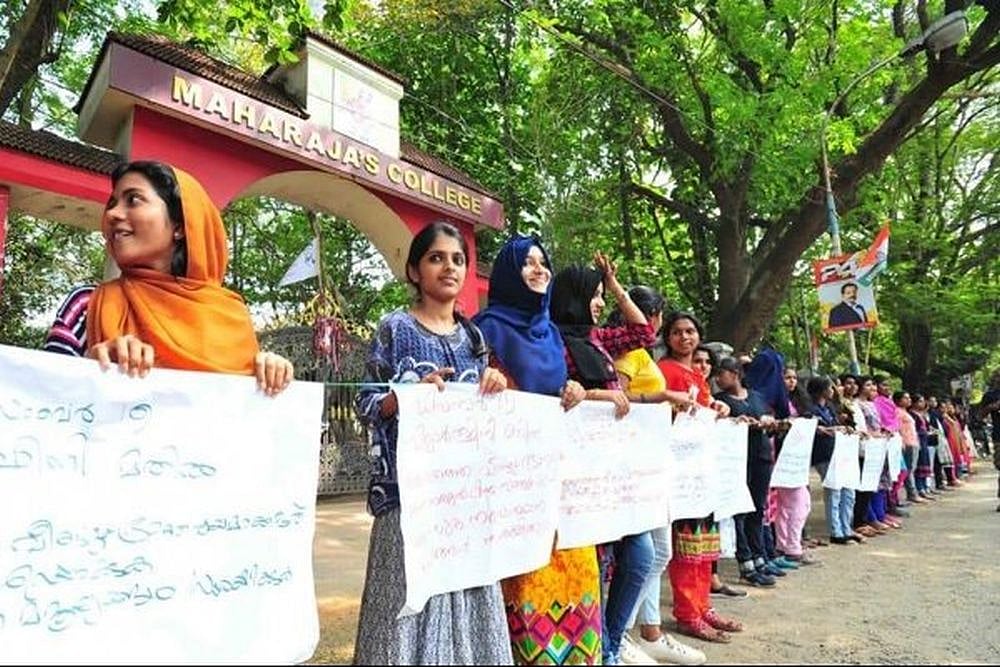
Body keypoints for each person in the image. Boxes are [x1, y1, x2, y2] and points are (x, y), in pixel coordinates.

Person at [353, 221, 511, 665]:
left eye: (457, 260)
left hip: (464, 498)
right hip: (408, 498)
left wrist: (494, 381)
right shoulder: (394, 328)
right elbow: (365, 403)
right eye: (436, 258)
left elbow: (488, 412)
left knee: (467, 595)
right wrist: (404, 398)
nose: (449, 267)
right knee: (402, 605)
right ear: (414, 270)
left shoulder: (475, 337)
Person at [43, 160, 293, 392]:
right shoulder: (86, 304)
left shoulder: (232, 318)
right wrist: (92, 366)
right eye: (112, 203)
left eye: (133, 200)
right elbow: (40, 396)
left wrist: (269, 377)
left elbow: (241, 419)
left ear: (180, 226)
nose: (112, 214)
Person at [471, 235, 600, 666]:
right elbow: (472, 400)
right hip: (512, 484)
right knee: (526, 580)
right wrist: (490, 385)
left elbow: (553, 391)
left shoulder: (550, 336)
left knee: (578, 568)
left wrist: (573, 389)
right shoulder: (485, 328)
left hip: (558, 478)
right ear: (509, 274)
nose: (539, 269)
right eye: (527, 263)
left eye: (543, 262)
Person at [549, 255, 656, 666]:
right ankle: (598, 650)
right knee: (593, 565)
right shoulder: (552, 341)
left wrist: (613, 285)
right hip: (579, 474)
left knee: (640, 556)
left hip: (614, 468)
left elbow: (642, 332)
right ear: (571, 298)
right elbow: (555, 393)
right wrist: (599, 396)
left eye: (599, 297)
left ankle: (609, 645)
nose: (598, 304)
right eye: (592, 296)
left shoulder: (596, 339)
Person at [609, 288, 707, 666]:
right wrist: (664, 396)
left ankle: (646, 630)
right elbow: (616, 398)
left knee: (659, 551)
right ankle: (625, 633)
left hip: (655, 461)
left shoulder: (644, 355)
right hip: (631, 464)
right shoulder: (628, 355)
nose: (654, 323)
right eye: (656, 316)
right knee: (643, 553)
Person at [657, 312, 740, 644]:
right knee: (686, 546)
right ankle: (687, 613)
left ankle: (703, 605)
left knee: (705, 546)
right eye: (676, 332)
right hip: (680, 473)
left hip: (702, 472)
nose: (684, 337)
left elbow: (702, 414)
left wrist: (719, 409)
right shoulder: (664, 371)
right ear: (667, 337)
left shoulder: (698, 375)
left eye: (690, 331)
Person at [713, 356, 783, 586]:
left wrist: (770, 424)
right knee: (739, 510)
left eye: (721, 373)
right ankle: (745, 562)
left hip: (760, 457)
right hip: (735, 462)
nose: (717, 378)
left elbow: (770, 425)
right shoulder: (719, 401)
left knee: (757, 507)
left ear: (735, 374)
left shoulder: (757, 398)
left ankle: (759, 554)